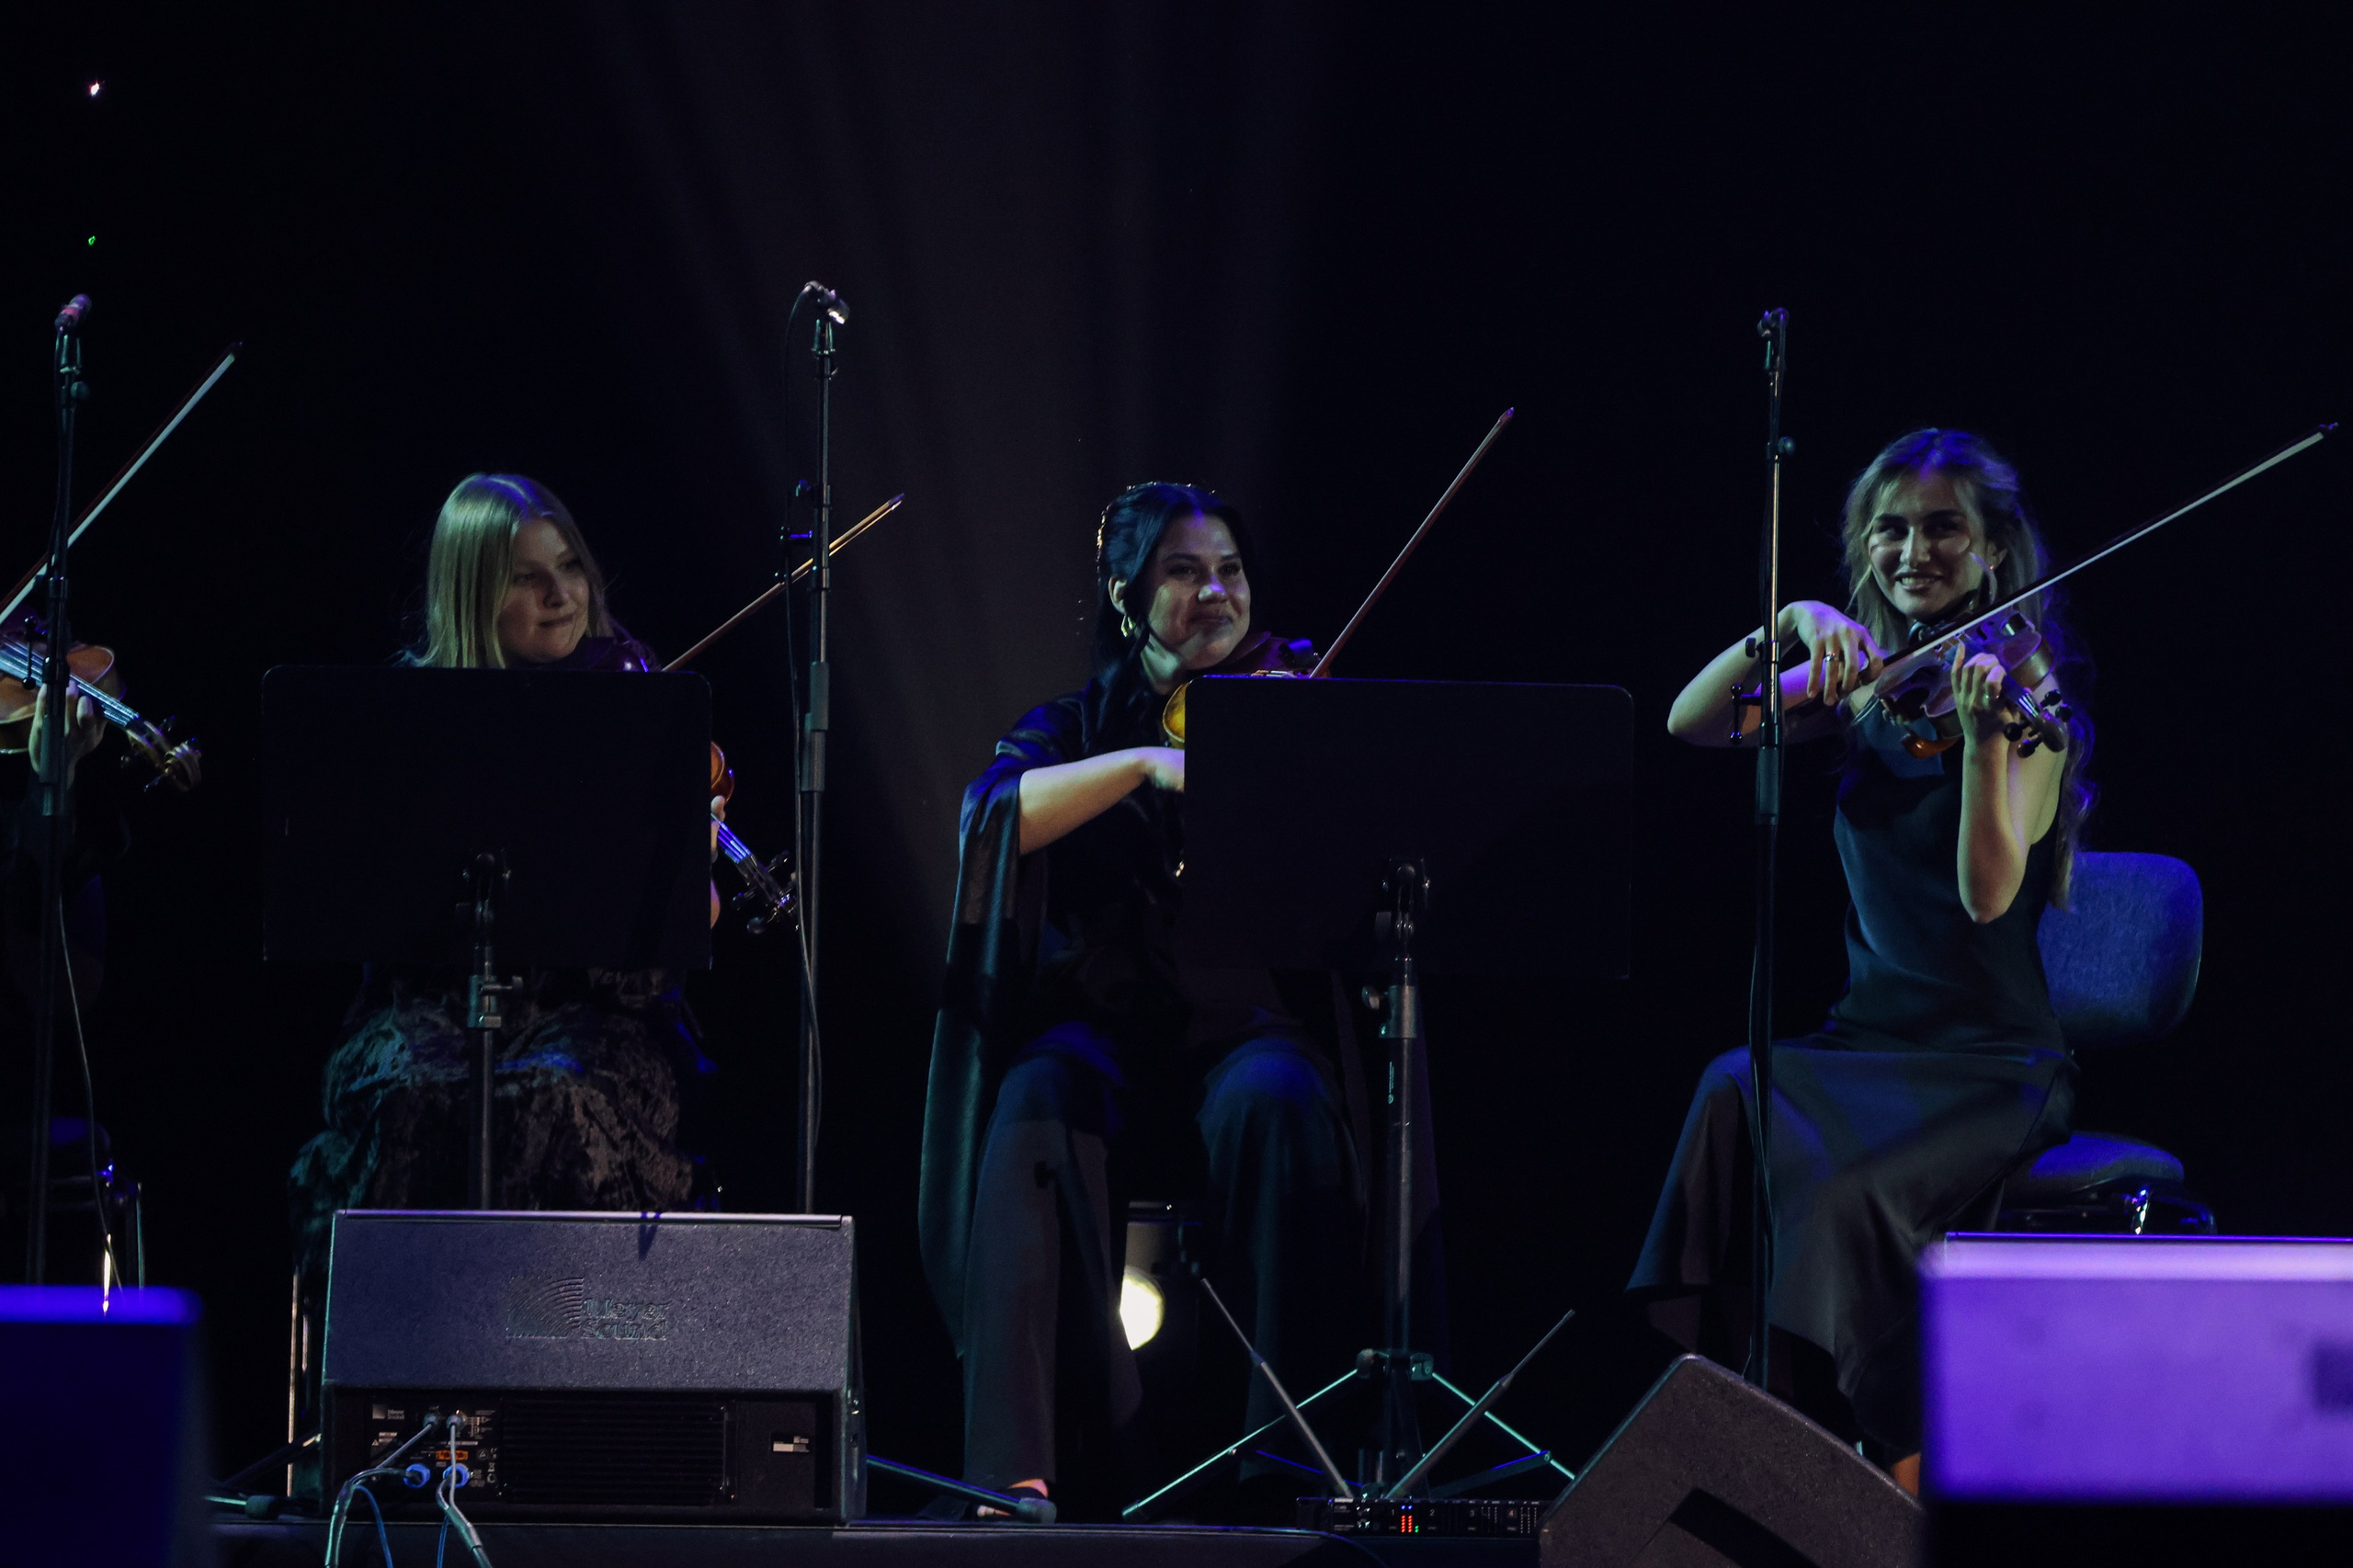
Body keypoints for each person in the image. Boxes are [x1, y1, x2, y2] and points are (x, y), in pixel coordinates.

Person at [1631, 428, 2093, 1494]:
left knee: (1839, 1197)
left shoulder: (2027, 708)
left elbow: (1987, 896)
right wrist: (1789, 621)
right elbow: (1690, 721)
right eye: (1890, 527)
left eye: (1943, 527)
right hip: (1869, 1041)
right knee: (1731, 1087)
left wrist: (1984, 746)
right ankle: (1758, 1419)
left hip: (1988, 1065)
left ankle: (1885, 1455)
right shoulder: (1868, 684)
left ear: (1993, 550)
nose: (1912, 549)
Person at [919, 482, 1379, 1515]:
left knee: (1282, 1102)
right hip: (1104, 1029)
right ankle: (1016, 1468)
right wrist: (1140, 764)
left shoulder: (1291, 695)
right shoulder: (1077, 723)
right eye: (1183, 570)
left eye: (1230, 570)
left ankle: (1287, 1457)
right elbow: (992, 815)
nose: (1215, 592)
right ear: (1128, 596)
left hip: (1243, 1026)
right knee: (1033, 1111)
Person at [287, 473, 724, 1277]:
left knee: (557, 1095)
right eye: (527, 578)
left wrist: (686, 863)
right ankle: (404, 1378)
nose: (561, 595)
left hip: (597, 1019)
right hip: (426, 1010)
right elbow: (380, 924)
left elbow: (663, 952)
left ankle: (561, 1371)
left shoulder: (638, 703)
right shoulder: (408, 721)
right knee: (413, 1097)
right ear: (472, 595)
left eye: (571, 568)